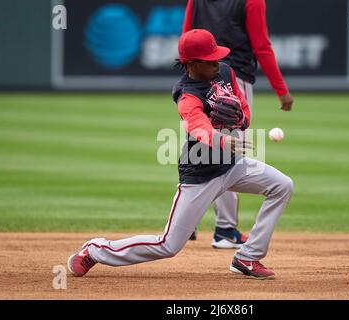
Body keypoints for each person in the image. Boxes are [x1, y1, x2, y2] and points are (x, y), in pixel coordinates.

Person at [67, 29, 293, 280]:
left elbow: (243, 106)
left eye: (217, 56)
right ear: (192, 64)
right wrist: (220, 139)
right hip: (201, 174)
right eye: (210, 60)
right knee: (168, 245)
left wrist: (241, 118)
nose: (217, 63)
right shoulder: (187, 94)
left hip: (232, 166)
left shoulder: (226, 71)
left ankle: (248, 257)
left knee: (282, 185)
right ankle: (95, 249)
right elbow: (197, 126)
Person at [183, 0, 294, 246]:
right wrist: (281, 89)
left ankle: (188, 219)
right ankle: (224, 229)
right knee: (227, 154)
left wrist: (187, 80)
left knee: (200, 148)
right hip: (234, 77)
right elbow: (262, 46)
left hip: (198, 77)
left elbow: (186, 37)